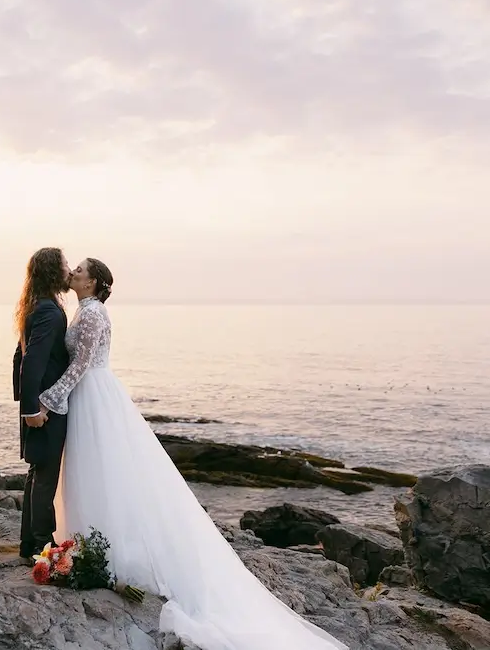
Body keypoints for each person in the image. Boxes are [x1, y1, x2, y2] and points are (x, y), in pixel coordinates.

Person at [34, 258, 347, 650]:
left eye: (79, 269)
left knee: (106, 470)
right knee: (93, 472)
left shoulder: (94, 314)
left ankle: (110, 553)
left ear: (93, 281)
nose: (73, 272)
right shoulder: (82, 311)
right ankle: (84, 546)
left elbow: (81, 364)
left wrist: (49, 399)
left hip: (95, 397)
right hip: (88, 399)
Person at [11, 247, 72, 563]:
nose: (68, 270)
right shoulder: (48, 311)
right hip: (46, 407)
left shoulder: (35, 306)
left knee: (38, 472)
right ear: (52, 271)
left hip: (39, 403)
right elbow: (30, 361)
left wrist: (25, 402)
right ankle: (41, 546)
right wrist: (32, 409)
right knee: (45, 473)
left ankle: (28, 544)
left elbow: (20, 356)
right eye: (63, 265)